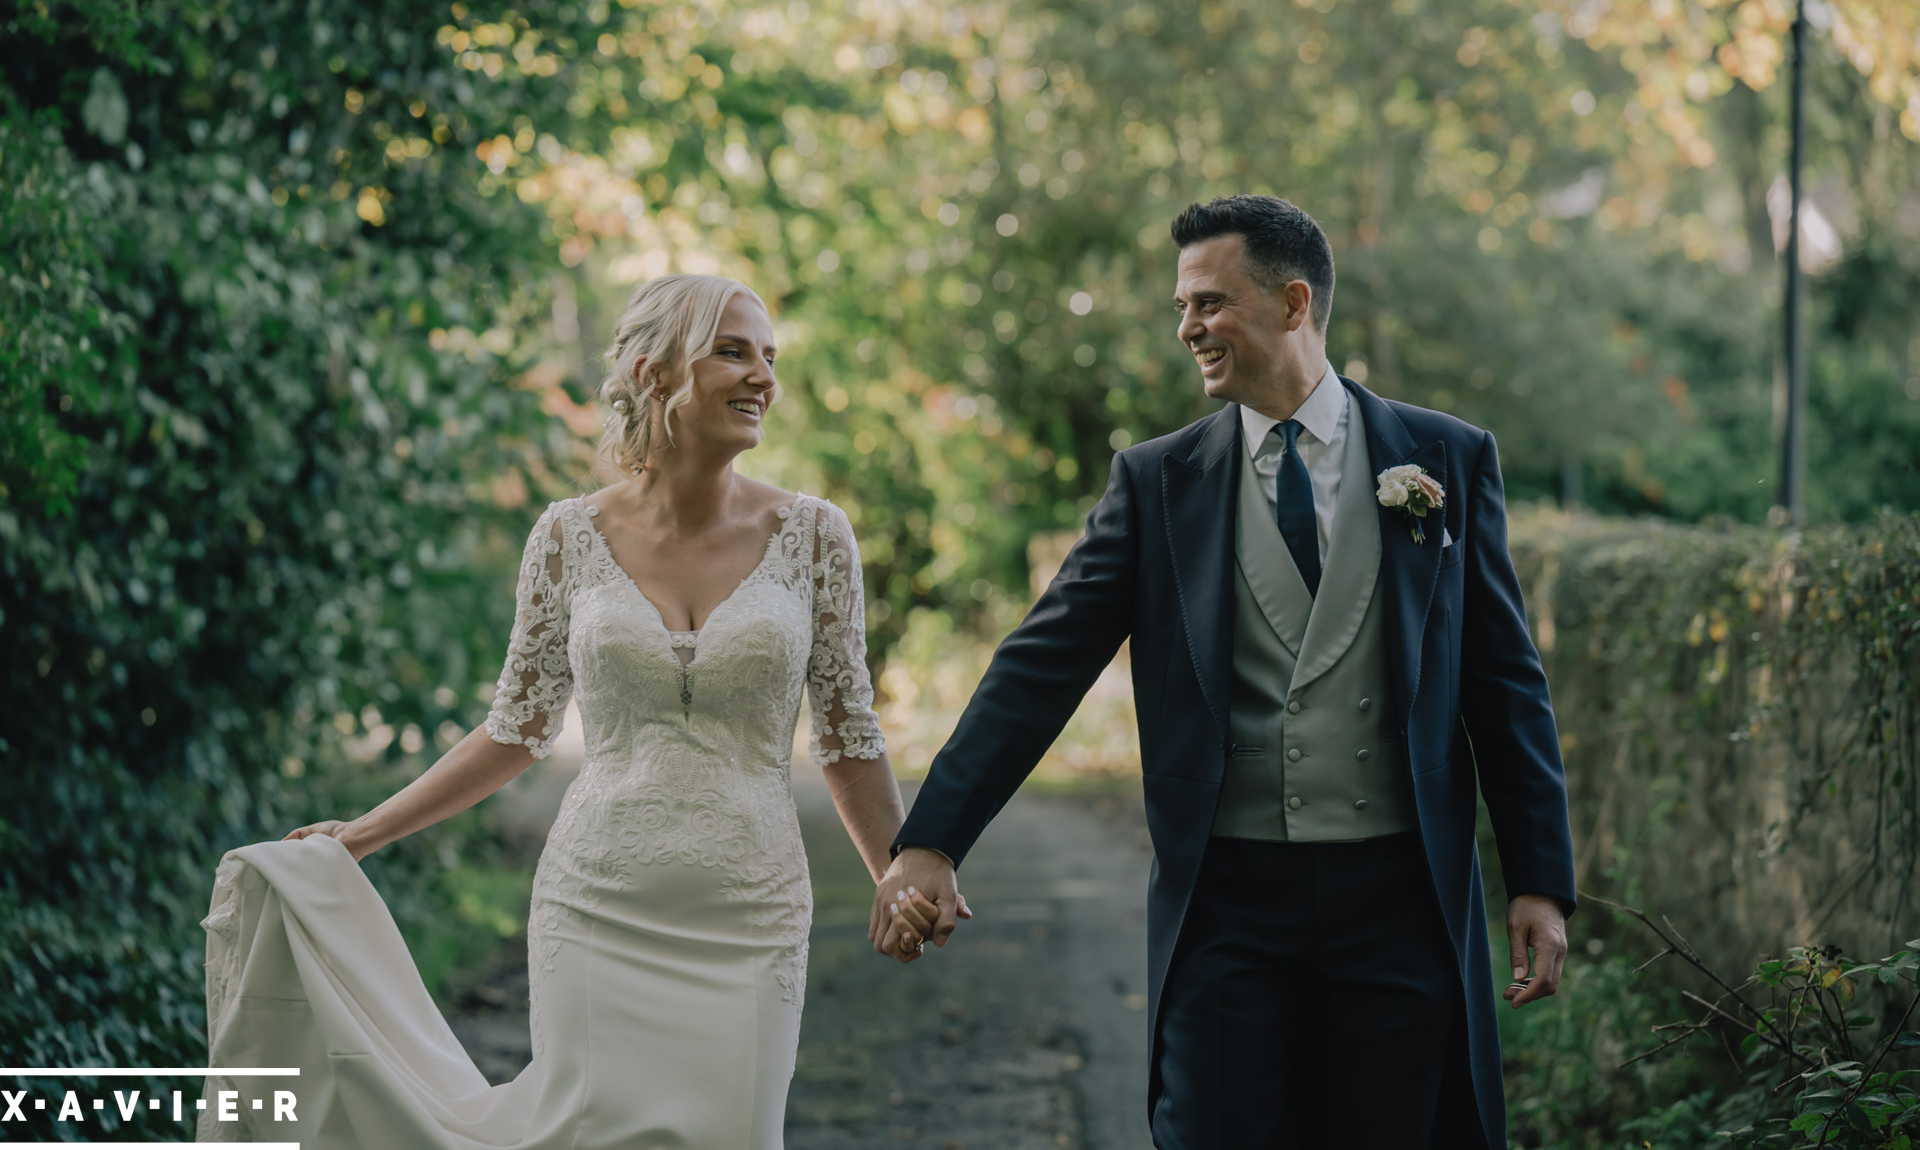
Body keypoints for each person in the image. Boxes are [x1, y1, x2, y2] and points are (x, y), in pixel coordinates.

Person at [870, 195, 1577, 1149]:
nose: (1188, 328)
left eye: (1208, 302)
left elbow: (1504, 681)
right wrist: (934, 840)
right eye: (1181, 307)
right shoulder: (1156, 483)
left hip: (1400, 900)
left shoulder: (1447, 458)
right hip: (1228, 907)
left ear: (1293, 305)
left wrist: (1539, 877)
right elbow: (1038, 670)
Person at [198, 274, 940, 1148]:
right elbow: (515, 730)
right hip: (597, 906)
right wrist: (358, 834)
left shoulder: (816, 536)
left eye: (769, 357)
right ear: (652, 371)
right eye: (733, 351)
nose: (763, 378)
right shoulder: (565, 536)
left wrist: (899, 870)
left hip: (752, 910)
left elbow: (849, 736)